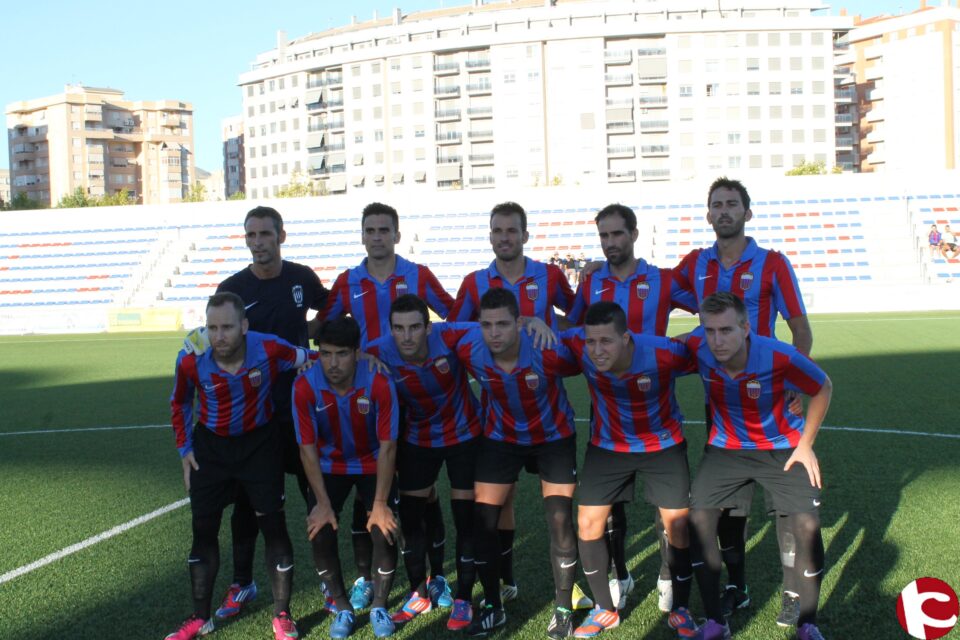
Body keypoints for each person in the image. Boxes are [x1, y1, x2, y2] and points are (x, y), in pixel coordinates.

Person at [673, 177, 813, 625]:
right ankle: (738, 586)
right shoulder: (696, 263)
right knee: (729, 508)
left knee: (787, 507)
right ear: (708, 214)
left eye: (732, 204)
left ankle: (793, 593)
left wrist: (794, 381)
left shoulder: (772, 263)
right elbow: (657, 287)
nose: (724, 211)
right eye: (717, 204)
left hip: (772, 404)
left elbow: (800, 329)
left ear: (747, 213)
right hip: (722, 406)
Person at [323, 202, 455, 611]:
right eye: (371, 230)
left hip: (413, 399)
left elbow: (454, 316)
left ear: (397, 235)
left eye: (384, 230)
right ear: (362, 235)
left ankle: (435, 577)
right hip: (365, 402)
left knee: (423, 493)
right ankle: (365, 579)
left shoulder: (418, 275)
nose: (377, 236)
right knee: (367, 489)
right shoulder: (348, 281)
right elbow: (324, 329)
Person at [200, 205, 328, 621]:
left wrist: (306, 337)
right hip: (254, 415)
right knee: (247, 506)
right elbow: (219, 343)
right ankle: (243, 582)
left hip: (301, 407)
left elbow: (328, 309)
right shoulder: (233, 288)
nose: (258, 243)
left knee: (315, 494)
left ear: (281, 236)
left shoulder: (302, 278)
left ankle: (329, 583)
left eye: (265, 234)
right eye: (251, 235)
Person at [570, 203, 697, 613]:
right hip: (608, 411)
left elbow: (710, 309)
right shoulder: (592, 282)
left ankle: (667, 575)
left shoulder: (662, 280)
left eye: (617, 234)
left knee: (669, 512)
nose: (610, 242)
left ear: (634, 235)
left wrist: (688, 341)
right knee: (609, 510)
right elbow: (572, 327)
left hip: (656, 406)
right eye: (603, 236)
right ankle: (619, 574)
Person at [684, 292, 831, 640]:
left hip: (782, 448)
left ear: (745, 328)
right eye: (709, 331)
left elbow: (822, 387)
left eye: (726, 330)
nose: (717, 340)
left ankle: (808, 624)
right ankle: (715, 622)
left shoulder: (779, 356)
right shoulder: (697, 347)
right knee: (699, 521)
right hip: (726, 449)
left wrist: (805, 444)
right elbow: (657, 351)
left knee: (807, 526)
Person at [167, 292, 312, 640]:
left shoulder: (269, 348)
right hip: (211, 448)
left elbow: (309, 357)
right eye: (212, 328)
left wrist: (356, 357)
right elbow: (180, 402)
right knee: (203, 530)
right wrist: (185, 449)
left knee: (273, 527)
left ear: (244, 326)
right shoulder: (191, 359)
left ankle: (282, 615)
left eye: (228, 327)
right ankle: (201, 617)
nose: (219, 336)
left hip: (260, 445)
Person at [560, 302, 697, 638]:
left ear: (626, 338)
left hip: (662, 445)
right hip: (608, 446)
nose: (597, 350)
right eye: (591, 342)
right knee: (588, 523)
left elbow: (714, 356)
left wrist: (785, 390)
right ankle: (605, 610)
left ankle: (681, 608)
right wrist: (534, 323)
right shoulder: (578, 345)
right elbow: (545, 336)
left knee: (678, 527)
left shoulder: (664, 353)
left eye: (606, 341)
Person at [449, 288, 581, 638]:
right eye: (487, 325)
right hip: (501, 439)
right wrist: (366, 354)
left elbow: (588, 350)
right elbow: (429, 333)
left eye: (503, 324)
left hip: (553, 439)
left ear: (519, 323)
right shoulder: (469, 347)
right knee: (483, 521)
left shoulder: (547, 349)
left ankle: (563, 609)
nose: (494, 333)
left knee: (559, 519)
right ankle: (494, 606)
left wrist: (546, 323)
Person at [366, 295, 484, 631]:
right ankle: (419, 592)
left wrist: (529, 322)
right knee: (411, 518)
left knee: (466, 518)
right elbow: (338, 358)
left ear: (428, 327)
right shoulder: (376, 350)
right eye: (399, 329)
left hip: (464, 436)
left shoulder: (450, 336)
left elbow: (494, 328)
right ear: (390, 329)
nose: (406, 336)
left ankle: (463, 597)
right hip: (418, 440)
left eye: (414, 327)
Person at [292, 316, 401, 639]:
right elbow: (307, 450)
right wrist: (322, 503)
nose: (333, 363)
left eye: (341, 354)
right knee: (320, 529)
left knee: (384, 529)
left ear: (357, 352)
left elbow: (388, 447)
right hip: (329, 466)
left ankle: (380, 605)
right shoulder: (304, 385)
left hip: (372, 463)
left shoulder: (379, 382)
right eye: (325, 354)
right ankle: (342, 607)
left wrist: (380, 504)